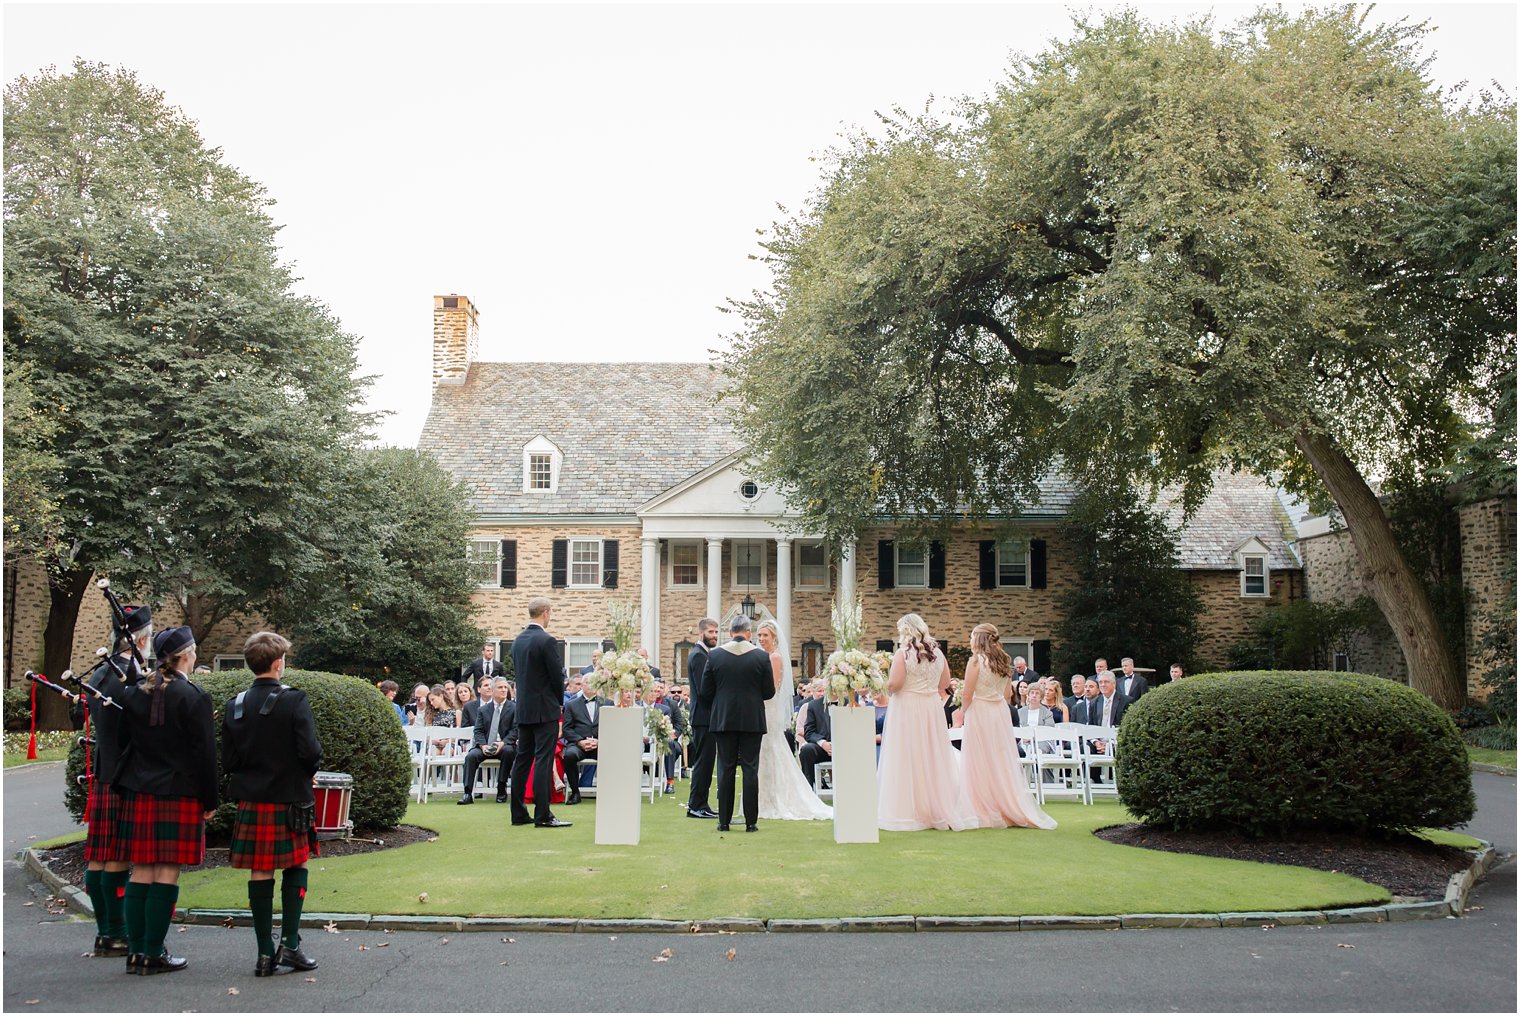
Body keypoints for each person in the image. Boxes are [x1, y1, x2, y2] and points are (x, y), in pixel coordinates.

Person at [114, 625, 217, 975]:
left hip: (140, 788)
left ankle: (137, 953)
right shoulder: (194, 697)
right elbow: (205, 755)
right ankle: (153, 952)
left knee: (141, 869)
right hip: (179, 791)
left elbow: (122, 742)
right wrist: (210, 799)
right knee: (167, 871)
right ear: (187, 655)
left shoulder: (134, 693)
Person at [221, 632, 322, 978]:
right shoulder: (294, 700)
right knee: (297, 866)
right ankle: (290, 946)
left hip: (252, 799)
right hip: (290, 796)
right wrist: (304, 774)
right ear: (278, 663)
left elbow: (229, 759)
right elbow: (310, 752)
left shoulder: (234, 703)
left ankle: (265, 954)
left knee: (259, 870)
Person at [81, 603, 152, 958]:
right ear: (141, 639)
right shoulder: (129, 678)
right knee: (117, 858)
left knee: (99, 855)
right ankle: (118, 931)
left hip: (103, 769)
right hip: (126, 773)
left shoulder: (97, 675)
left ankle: (105, 932)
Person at [876, 614, 978, 832]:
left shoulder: (903, 654)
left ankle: (909, 810)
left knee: (907, 756)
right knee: (931, 755)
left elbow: (894, 684)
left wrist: (883, 682)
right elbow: (944, 684)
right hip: (931, 708)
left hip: (907, 707)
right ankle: (936, 808)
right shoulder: (938, 654)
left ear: (905, 631)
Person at [959, 624, 1056, 830]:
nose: (970, 640)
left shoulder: (975, 660)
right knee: (999, 759)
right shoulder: (1003, 661)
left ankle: (981, 808)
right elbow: (1006, 694)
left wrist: (965, 711)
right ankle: (1004, 805)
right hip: (999, 712)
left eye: (972, 636)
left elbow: (967, 694)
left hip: (980, 710)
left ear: (980, 639)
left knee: (978, 758)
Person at [699, 614, 775, 832]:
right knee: (751, 769)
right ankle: (751, 822)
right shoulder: (761, 657)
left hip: (724, 719)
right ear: (748, 632)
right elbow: (769, 692)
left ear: (730, 632)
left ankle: (724, 821)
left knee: (725, 768)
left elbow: (705, 692)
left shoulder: (715, 656)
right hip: (752, 719)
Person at [754, 621, 831, 821]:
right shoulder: (764, 656)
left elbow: (770, 688)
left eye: (765, 635)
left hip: (768, 709)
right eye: (759, 635)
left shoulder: (775, 657)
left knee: (771, 749)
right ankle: (763, 797)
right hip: (762, 709)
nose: (761, 639)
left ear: (774, 638)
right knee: (764, 752)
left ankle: (776, 798)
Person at [510, 597, 570, 828]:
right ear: (545, 613)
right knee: (544, 759)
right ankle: (543, 814)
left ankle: (518, 813)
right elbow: (556, 677)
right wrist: (559, 703)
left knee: (522, 759)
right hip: (545, 709)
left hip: (524, 709)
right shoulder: (546, 640)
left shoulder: (518, 641)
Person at [684, 617, 721, 820]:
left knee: (707, 762)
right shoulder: (698, 656)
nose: (714, 636)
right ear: (701, 633)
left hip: (706, 716)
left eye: (716, 632)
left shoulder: (705, 654)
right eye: (710, 632)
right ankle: (696, 805)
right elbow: (704, 689)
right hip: (703, 716)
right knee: (703, 762)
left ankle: (701, 803)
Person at [459, 677, 515, 804]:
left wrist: (503, 743)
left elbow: (515, 730)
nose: (504, 690)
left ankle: (501, 788)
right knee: (471, 756)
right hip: (486, 745)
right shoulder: (483, 710)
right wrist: (483, 745)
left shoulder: (513, 708)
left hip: (504, 745)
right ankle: (467, 793)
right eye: (500, 687)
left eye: (505, 687)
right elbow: (478, 731)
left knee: (508, 752)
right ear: (493, 690)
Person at [561, 679, 611, 805]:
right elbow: (567, 729)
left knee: (612, 755)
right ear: (582, 686)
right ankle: (575, 792)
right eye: (588, 682)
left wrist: (600, 741)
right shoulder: (571, 705)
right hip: (579, 745)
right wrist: (580, 741)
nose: (592, 685)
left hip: (600, 744)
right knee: (569, 756)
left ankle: (608, 792)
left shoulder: (607, 703)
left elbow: (613, 727)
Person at [797, 688, 833, 791]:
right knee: (807, 749)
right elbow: (809, 732)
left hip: (845, 748)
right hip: (822, 748)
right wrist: (823, 743)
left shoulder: (849, 703)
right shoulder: (814, 705)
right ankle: (808, 790)